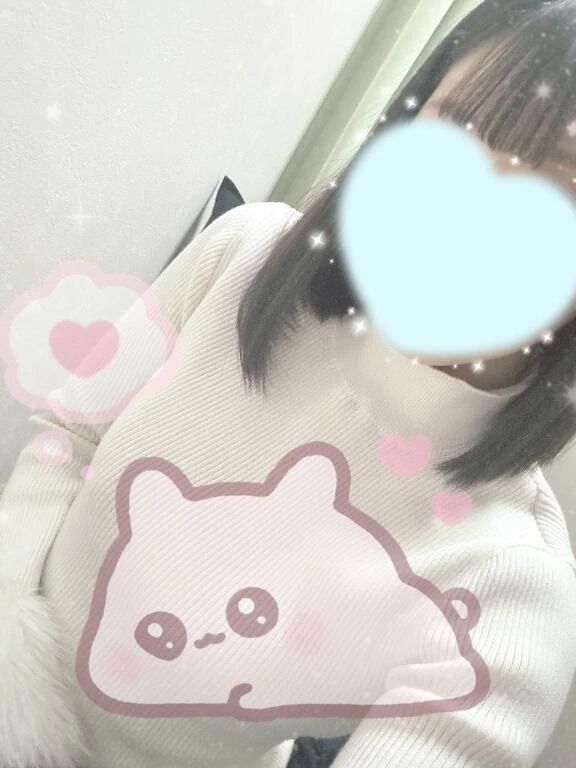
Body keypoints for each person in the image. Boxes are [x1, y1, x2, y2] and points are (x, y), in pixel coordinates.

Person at [1, 2, 576, 768]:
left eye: (559, 184)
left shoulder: (509, 583)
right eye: (453, 131)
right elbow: (72, 434)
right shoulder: (242, 256)